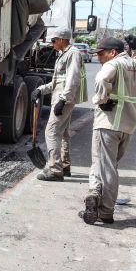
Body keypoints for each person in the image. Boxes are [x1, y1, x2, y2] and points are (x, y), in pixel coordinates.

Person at [79, 37, 136, 225]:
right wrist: (135, 49)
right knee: (107, 165)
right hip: (128, 125)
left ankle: (104, 208)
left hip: (109, 123)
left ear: (113, 52)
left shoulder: (113, 64)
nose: (99, 58)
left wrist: (102, 100)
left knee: (104, 166)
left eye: (101, 54)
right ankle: (97, 197)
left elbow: (101, 78)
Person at [31, 27, 87, 181]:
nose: (52, 43)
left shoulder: (73, 54)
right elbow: (57, 82)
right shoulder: (64, 55)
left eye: (54, 40)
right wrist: (41, 89)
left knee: (51, 132)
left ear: (62, 40)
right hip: (61, 97)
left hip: (64, 100)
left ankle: (55, 170)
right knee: (63, 133)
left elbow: (72, 79)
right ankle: (64, 165)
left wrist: (63, 100)